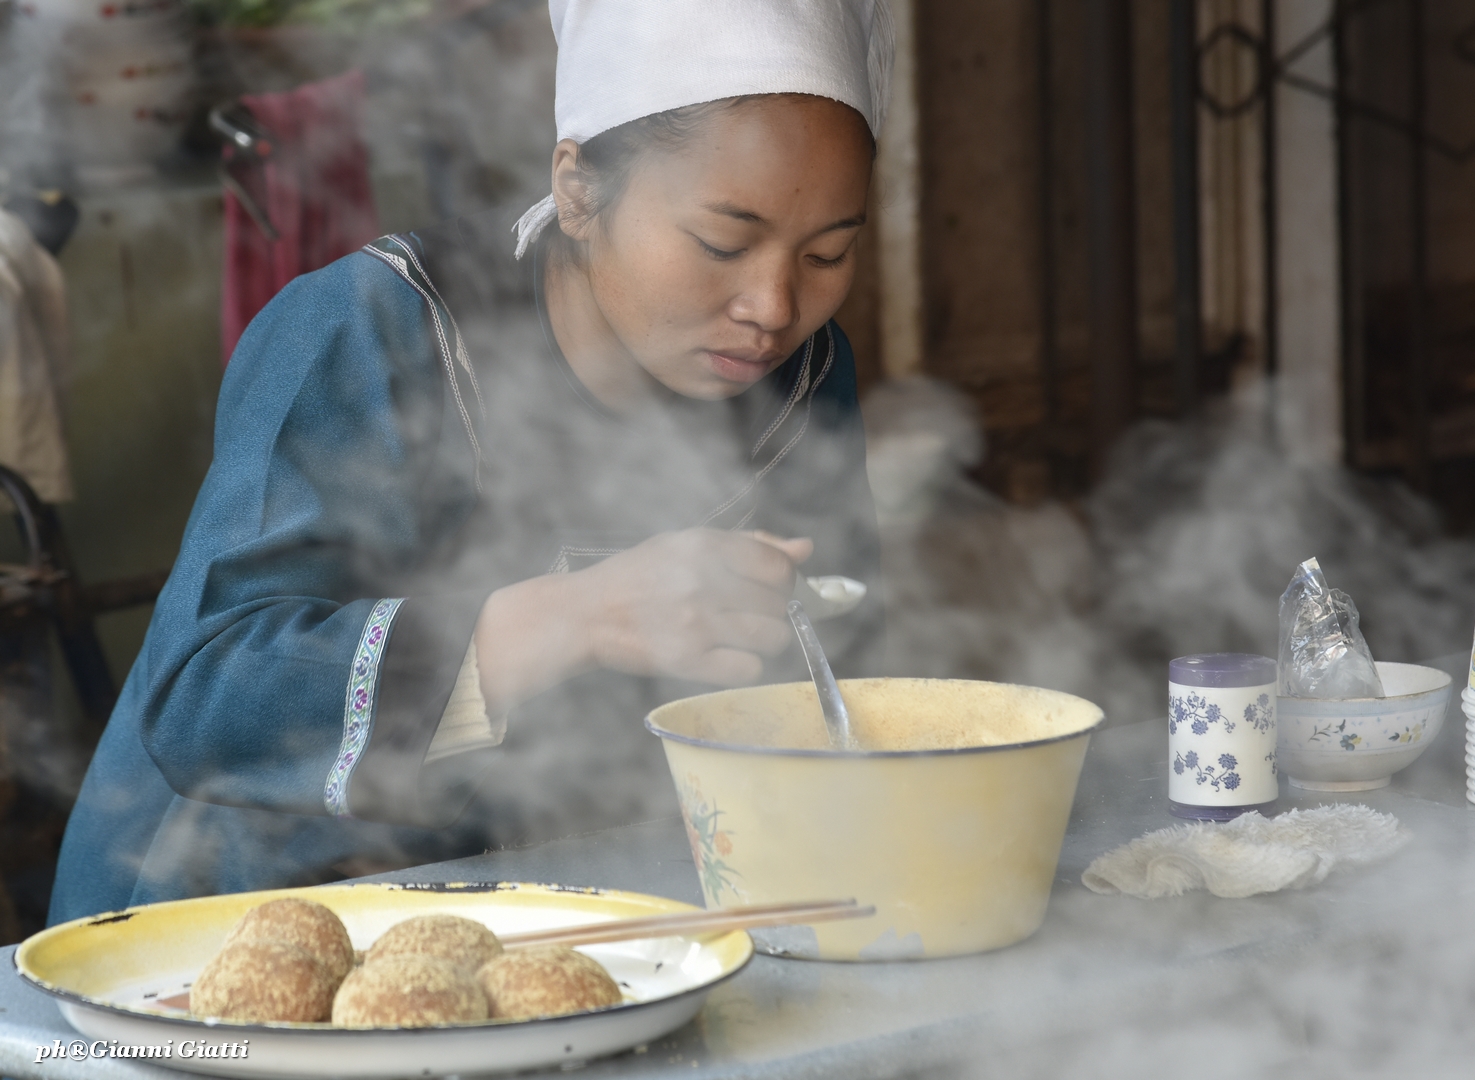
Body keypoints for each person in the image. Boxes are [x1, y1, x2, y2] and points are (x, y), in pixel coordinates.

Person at [49, 0, 891, 923]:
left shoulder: (804, 376)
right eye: (722, 243)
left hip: (597, 905)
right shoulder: (368, 333)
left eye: (828, 253)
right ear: (576, 188)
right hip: (247, 924)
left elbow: (835, 658)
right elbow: (203, 699)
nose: (773, 305)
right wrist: (570, 617)